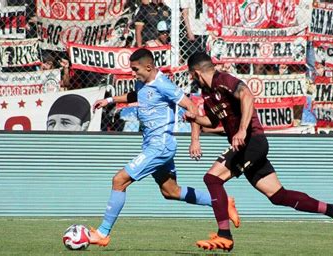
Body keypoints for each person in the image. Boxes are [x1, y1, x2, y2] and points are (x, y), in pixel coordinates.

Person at [185, 52, 333, 252]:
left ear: (196, 72)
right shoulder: (208, 94)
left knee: (212, 179)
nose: (190, 79)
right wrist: (195, 118)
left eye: (190, 75)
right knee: (278, 195)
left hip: (251, 142)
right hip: (246, 146)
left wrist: (241, 130)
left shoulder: (223, 80)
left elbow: (247, 95)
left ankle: (225, 235)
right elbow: (213, 122)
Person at [89, 48, 239, 247]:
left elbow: (192, 107)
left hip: (160, 146)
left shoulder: (164, 84)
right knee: (171, 192)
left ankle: (102, 233)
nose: (133, 74)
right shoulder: (142, 82)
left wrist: (195, 140)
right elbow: (137, 95)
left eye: (135, 69)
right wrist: (109, 100)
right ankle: (221, 201)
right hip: (152, 144)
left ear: (149, 66)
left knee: (119, 180)